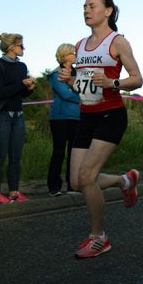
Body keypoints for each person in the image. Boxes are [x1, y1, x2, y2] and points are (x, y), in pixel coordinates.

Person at [58, 0, 143, 258]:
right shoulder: (80, 44)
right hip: (87, 116)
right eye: (84, 6)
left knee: (87, 176)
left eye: (92, 6)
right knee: (76, 181)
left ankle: (99, 237)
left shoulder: (117, 42)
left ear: (108, 11)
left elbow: (137, 78)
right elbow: (85, 85)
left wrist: (113, 83)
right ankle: (125, 180)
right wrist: (71, 82)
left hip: (111, 116)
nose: (86, 10)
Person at [0, 33, 36, 204]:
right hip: (1, 116)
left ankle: (14, 192)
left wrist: (29, 89)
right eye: (21, 45)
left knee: (16, 156)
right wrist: (20, 85)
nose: (24, 48)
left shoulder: (22, 66)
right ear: (11, 47)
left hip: (18, 115)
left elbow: (20, 94)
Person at [47, 43, 80, 196]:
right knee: (59, 152)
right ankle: (54, 186)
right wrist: (83, 97)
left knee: (74, 154)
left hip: (77, 117)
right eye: (72, 52)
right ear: (65, 55)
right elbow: (65, 94)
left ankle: (72, 185)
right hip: (60, 118)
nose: (75, 54)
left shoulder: (78, 73)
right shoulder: (56, 74)